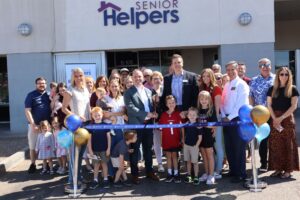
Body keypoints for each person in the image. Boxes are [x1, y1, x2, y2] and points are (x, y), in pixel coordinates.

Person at [124, 69, 159, 184]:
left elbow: (151, 106)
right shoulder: (128, 92)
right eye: (135, 77)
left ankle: (149, 171)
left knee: (148, 149)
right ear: (132, 78)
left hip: (148, 125)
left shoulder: (149, 91)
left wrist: (154, 113)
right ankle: (134, 174)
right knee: (134, 151)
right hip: (136, 126)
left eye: (140, 76)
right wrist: (146, 114)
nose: (138, 79)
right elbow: (130, 108)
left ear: (143, 78)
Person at [267, 67, 299, 179]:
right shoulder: (272, 89)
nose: (284, 76)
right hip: (274, 118)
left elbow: (294, 106)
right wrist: (275, 118)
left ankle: (288, 170)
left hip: (287, 119)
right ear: (278, 75)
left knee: (287, 144)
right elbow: (269, 105)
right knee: (275, 145)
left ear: (289, 76)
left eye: (286, 74)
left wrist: (281, 118)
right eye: (281, 74)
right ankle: (278, 168)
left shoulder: (293, 89)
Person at [62, 68, 91, 193]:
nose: (79, 78)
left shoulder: (86, 89)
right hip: (76, 126)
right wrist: (76, 117)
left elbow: (87, 107)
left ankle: (78, 179)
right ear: (73, 77)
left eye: (81, 75)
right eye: (76, 76)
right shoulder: (70, 90)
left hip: (87, 125)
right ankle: (71, 183)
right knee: (75, 155)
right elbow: (64, 108)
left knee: (80, 156)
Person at [221, 61, 249, 183]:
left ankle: (241, 174)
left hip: (237, 119)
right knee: (229, 147)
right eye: (228, 70)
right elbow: (223, 102)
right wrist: (223, 115)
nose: (230, 72)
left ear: (237, 69)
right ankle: (233, 170)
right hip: (226, 120)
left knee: (239, 148)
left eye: (233, 69)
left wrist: (230, 116)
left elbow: (241, 104)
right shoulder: (227, 84)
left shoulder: (242, 84)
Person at [249, 58, 275, 172]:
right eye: (262, 65)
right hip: (260, 115)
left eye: (267, 64)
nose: (264, 67)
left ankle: (274, 164)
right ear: (259, 67)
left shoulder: (276, 79)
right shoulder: (254, 80)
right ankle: (264, 164)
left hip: (275, 114)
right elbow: (251, 97)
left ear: (271, 66)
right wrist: (252, 113)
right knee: (262, 140)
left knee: (275, 140)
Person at [199, 68, 223, 179]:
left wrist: (215, 125)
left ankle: (217, 171)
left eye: (207, 76)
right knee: (207, 150)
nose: (205, 78)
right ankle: (209, 171)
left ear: (211, 76)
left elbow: (217, 109)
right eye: (203, 76)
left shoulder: (216, 88)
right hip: (206, 123)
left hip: (215, 120)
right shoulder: (203, 88)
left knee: (217, 146)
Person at [25, 77, 51, 173]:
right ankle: (33, 164)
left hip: (47, 126)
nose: (42, 85)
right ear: (36, 84)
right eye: (39, 83)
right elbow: (27, 110)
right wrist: (33, 124)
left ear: (46, 84)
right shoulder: (31, 95)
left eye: (43, 83)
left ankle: (47, 164)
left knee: (47, 145)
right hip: (34, 125)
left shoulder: (49, 95)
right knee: (32, 146)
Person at [158, 95, 182, 183]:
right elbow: (161, 129)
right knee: (168, 157)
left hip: (175, 139)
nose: (171, 104)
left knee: (175, 157)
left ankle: (176, 173)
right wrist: (161, 141)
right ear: (166, 104)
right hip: (166, 139)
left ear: (175, 103)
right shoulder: (163, 115)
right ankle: (169, 173)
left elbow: (182, 128)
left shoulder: (178, 114)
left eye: (173, 102)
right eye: (169, 103)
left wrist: (182, 138)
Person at [87, 107, 111, 189]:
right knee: (96, 165)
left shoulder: (105, 125)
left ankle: (105, 179)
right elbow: (89, 139)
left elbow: (109, 138)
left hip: (104, 149)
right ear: (92, 116)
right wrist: (90, 149)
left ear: (102, 115)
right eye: (95, 115)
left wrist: (108, 149)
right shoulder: (91, 126)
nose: (97, 116)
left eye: (99, 115)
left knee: (104, 164)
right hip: (94, 150)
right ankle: (95, 180)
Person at [198, 91, 217, 185]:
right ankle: (206, 173)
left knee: (210, 155)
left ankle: (211, 174)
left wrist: (206, 125)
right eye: (201, 99)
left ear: (209, 99)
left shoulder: (211, 110)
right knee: (204, 155)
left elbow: (214, 124)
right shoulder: (198, 110)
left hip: (208, 135)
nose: (203, 101)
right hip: (200, 136)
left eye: (205, 99)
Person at [183, 107, 202, 185]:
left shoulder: (198, 125)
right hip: (186, 146)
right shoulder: (186, 124)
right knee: (188, 161)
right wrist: (184, 143)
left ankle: (196, 177)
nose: (192, 116)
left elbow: (200, 138)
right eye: (190, 114)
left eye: (194, 115)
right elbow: (184, 135)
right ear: (187, 115)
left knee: (195, 162)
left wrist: (196, 146)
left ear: (197, 116)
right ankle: (189, 175)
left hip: (194, 146)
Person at [151, 71, 165, 173]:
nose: (157, 80)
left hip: (165, 120)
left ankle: (170, 163)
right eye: (154, 78)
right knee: (157, 143)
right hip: (154, 121)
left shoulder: (165, 91)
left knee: (168, 142)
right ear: (151, 81)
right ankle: (159, 163)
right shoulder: (148, 92)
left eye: (158, 78)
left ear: (162, 80)